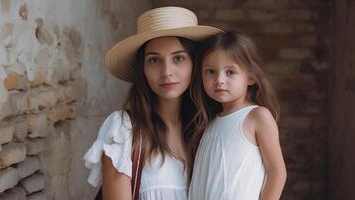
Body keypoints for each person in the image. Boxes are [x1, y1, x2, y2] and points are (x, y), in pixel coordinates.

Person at [83, 6, 222, 200]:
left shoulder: (210, 128)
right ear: (143, 69)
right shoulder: (125, 130)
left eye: (178, 58)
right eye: (154, 60)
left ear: (195, 64)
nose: (167, 71)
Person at [188, 31, 287, 200]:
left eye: (230, 72)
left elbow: (277, 172)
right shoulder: (208, 123)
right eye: (210, 71)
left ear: (250, 77)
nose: (219, 80)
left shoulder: (257, 116)